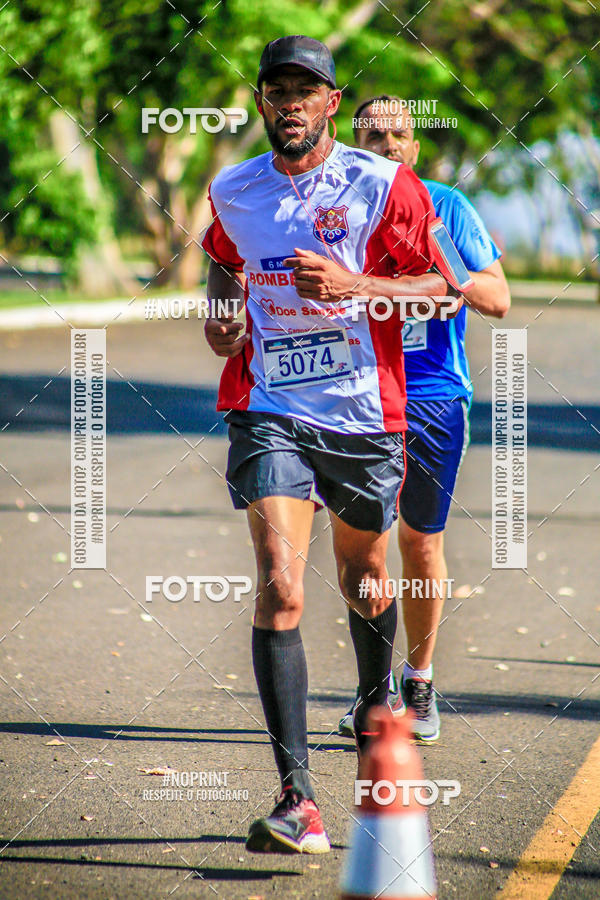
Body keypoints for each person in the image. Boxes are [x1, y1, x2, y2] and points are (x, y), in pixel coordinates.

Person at [202, 39, 457, 854]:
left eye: (304, 92)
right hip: (268, 404)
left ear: (331, 104)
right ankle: (297, 799)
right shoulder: (234, 189)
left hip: (363, 415)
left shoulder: (382, 185)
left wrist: (359, 287)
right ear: (261, 100)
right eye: (276, 90)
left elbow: (440, 290)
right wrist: (222, 312)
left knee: (366, 577)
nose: (289, 103)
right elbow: (220, 261)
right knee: (280, 588)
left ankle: (379, 702)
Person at [338, 96, 511, 744]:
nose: (385, 144)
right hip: (358, 395)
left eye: (397, 134)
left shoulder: (447, 206)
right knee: (366, 548)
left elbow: (497, 297)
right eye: (371, 135)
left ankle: (420, 681)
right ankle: (374, 689)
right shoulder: (335, 209)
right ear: (354, 144)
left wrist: (446, 271)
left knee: (422, 543)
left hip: (435, 396)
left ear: (414, 146)